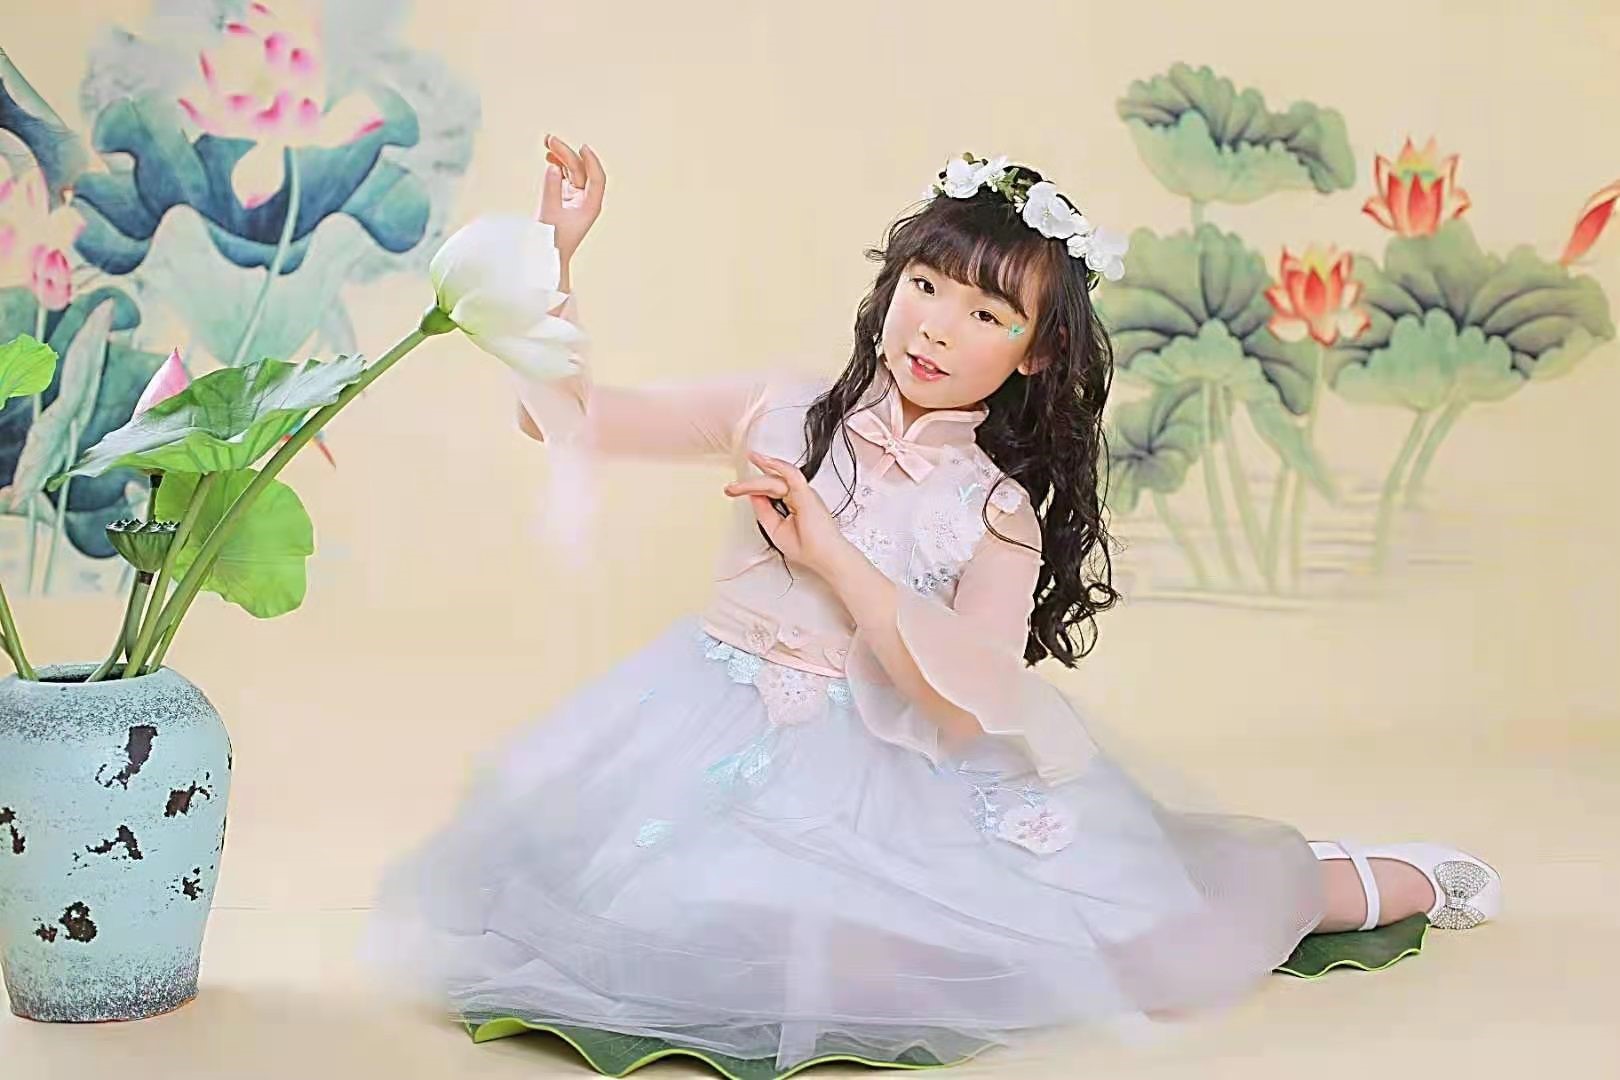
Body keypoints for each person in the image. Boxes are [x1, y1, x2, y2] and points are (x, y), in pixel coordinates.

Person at [364, 139, 1502, 1073]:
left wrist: (833, 557)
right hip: (710, 727)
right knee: (646, 925)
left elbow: (966, 703)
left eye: (986, 314)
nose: (936, 328)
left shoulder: (996, 510)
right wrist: (555, 257)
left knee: (1133, 946)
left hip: (901, 771)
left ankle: (1358, 879)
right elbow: (570, 419)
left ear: (1037, 356)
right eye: (924, 288)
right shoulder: (778, 407)